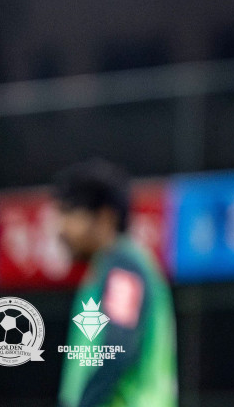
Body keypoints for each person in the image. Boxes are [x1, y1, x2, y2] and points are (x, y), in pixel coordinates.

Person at [53, 159, 177, 407]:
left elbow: (117, 348)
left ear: (104, 217)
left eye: (69, 213)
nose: (61, 228)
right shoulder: (109, 269)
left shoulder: (124, 266)